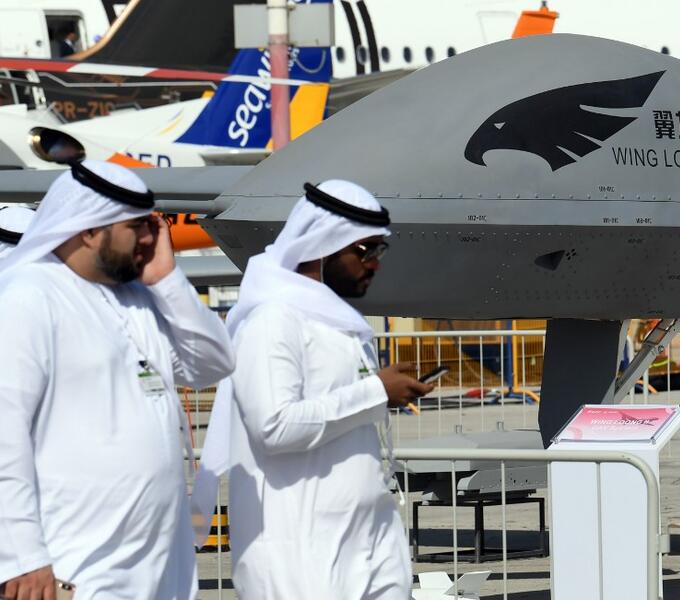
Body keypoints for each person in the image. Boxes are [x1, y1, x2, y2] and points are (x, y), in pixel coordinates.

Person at [0, 160, 235, 599]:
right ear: (89, 230)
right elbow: (3, 437)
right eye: (138, 227)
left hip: (159, 561)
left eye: (153, 224)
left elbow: (214, 363)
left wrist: (167, 281)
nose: (150, 238)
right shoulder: (28, 298)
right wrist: (21, 558)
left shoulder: (140, 298)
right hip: (76, 561)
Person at [201, 180, 432, 599]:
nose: (376, 264)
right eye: (366, 251)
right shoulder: (273, 321)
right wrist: (376, 392)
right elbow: (274, 427)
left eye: (381, 251)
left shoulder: (344, 325)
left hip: (370, 543)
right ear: (323, 246)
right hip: (299, 553)